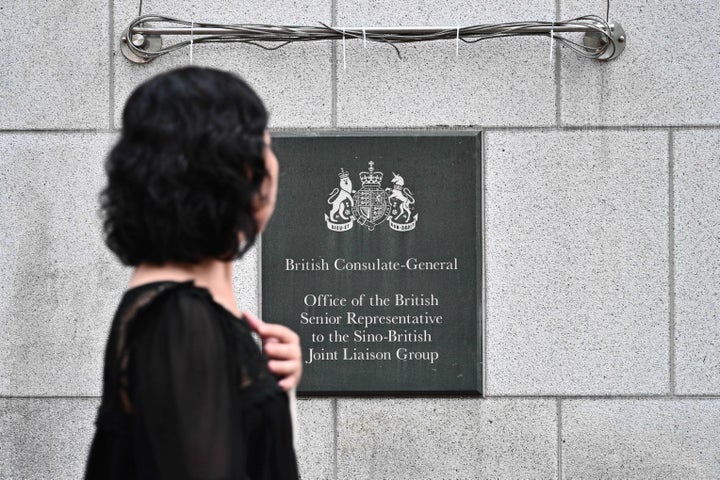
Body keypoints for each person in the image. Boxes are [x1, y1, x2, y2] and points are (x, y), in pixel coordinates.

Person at [85, 66, 301, 479]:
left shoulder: (180, 314)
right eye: (263, 142)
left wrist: (266, 389)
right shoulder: (181, 323)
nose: (273, 160)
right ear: (238, 171)